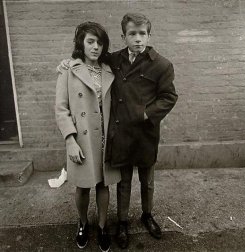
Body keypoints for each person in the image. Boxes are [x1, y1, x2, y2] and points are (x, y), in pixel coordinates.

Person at [57, 13, 178, 249]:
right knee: (123, 181)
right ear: (123, 37)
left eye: (142, 33)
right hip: (120, 133)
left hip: (145, 133)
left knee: (148, 180)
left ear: (149, 36)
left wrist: (146, 114)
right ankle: (122, 222)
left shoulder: (161, 64)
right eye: (132, 34)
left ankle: (147, 214)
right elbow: (87, 64)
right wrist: (66, 62)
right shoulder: (115, 60)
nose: (138, 39)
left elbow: (169, 96)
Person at [55, 21, 120, 252]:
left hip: (106, 138)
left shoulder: (109, 69)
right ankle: (82, 223)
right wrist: (70, 140)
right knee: (83, 186)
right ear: (81, 43)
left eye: (100, 43)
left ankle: (102, 227)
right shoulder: (69, 70)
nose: (95, 47)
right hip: (81, 139)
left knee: (104, 185)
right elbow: (61, 109)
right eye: (90, 41)